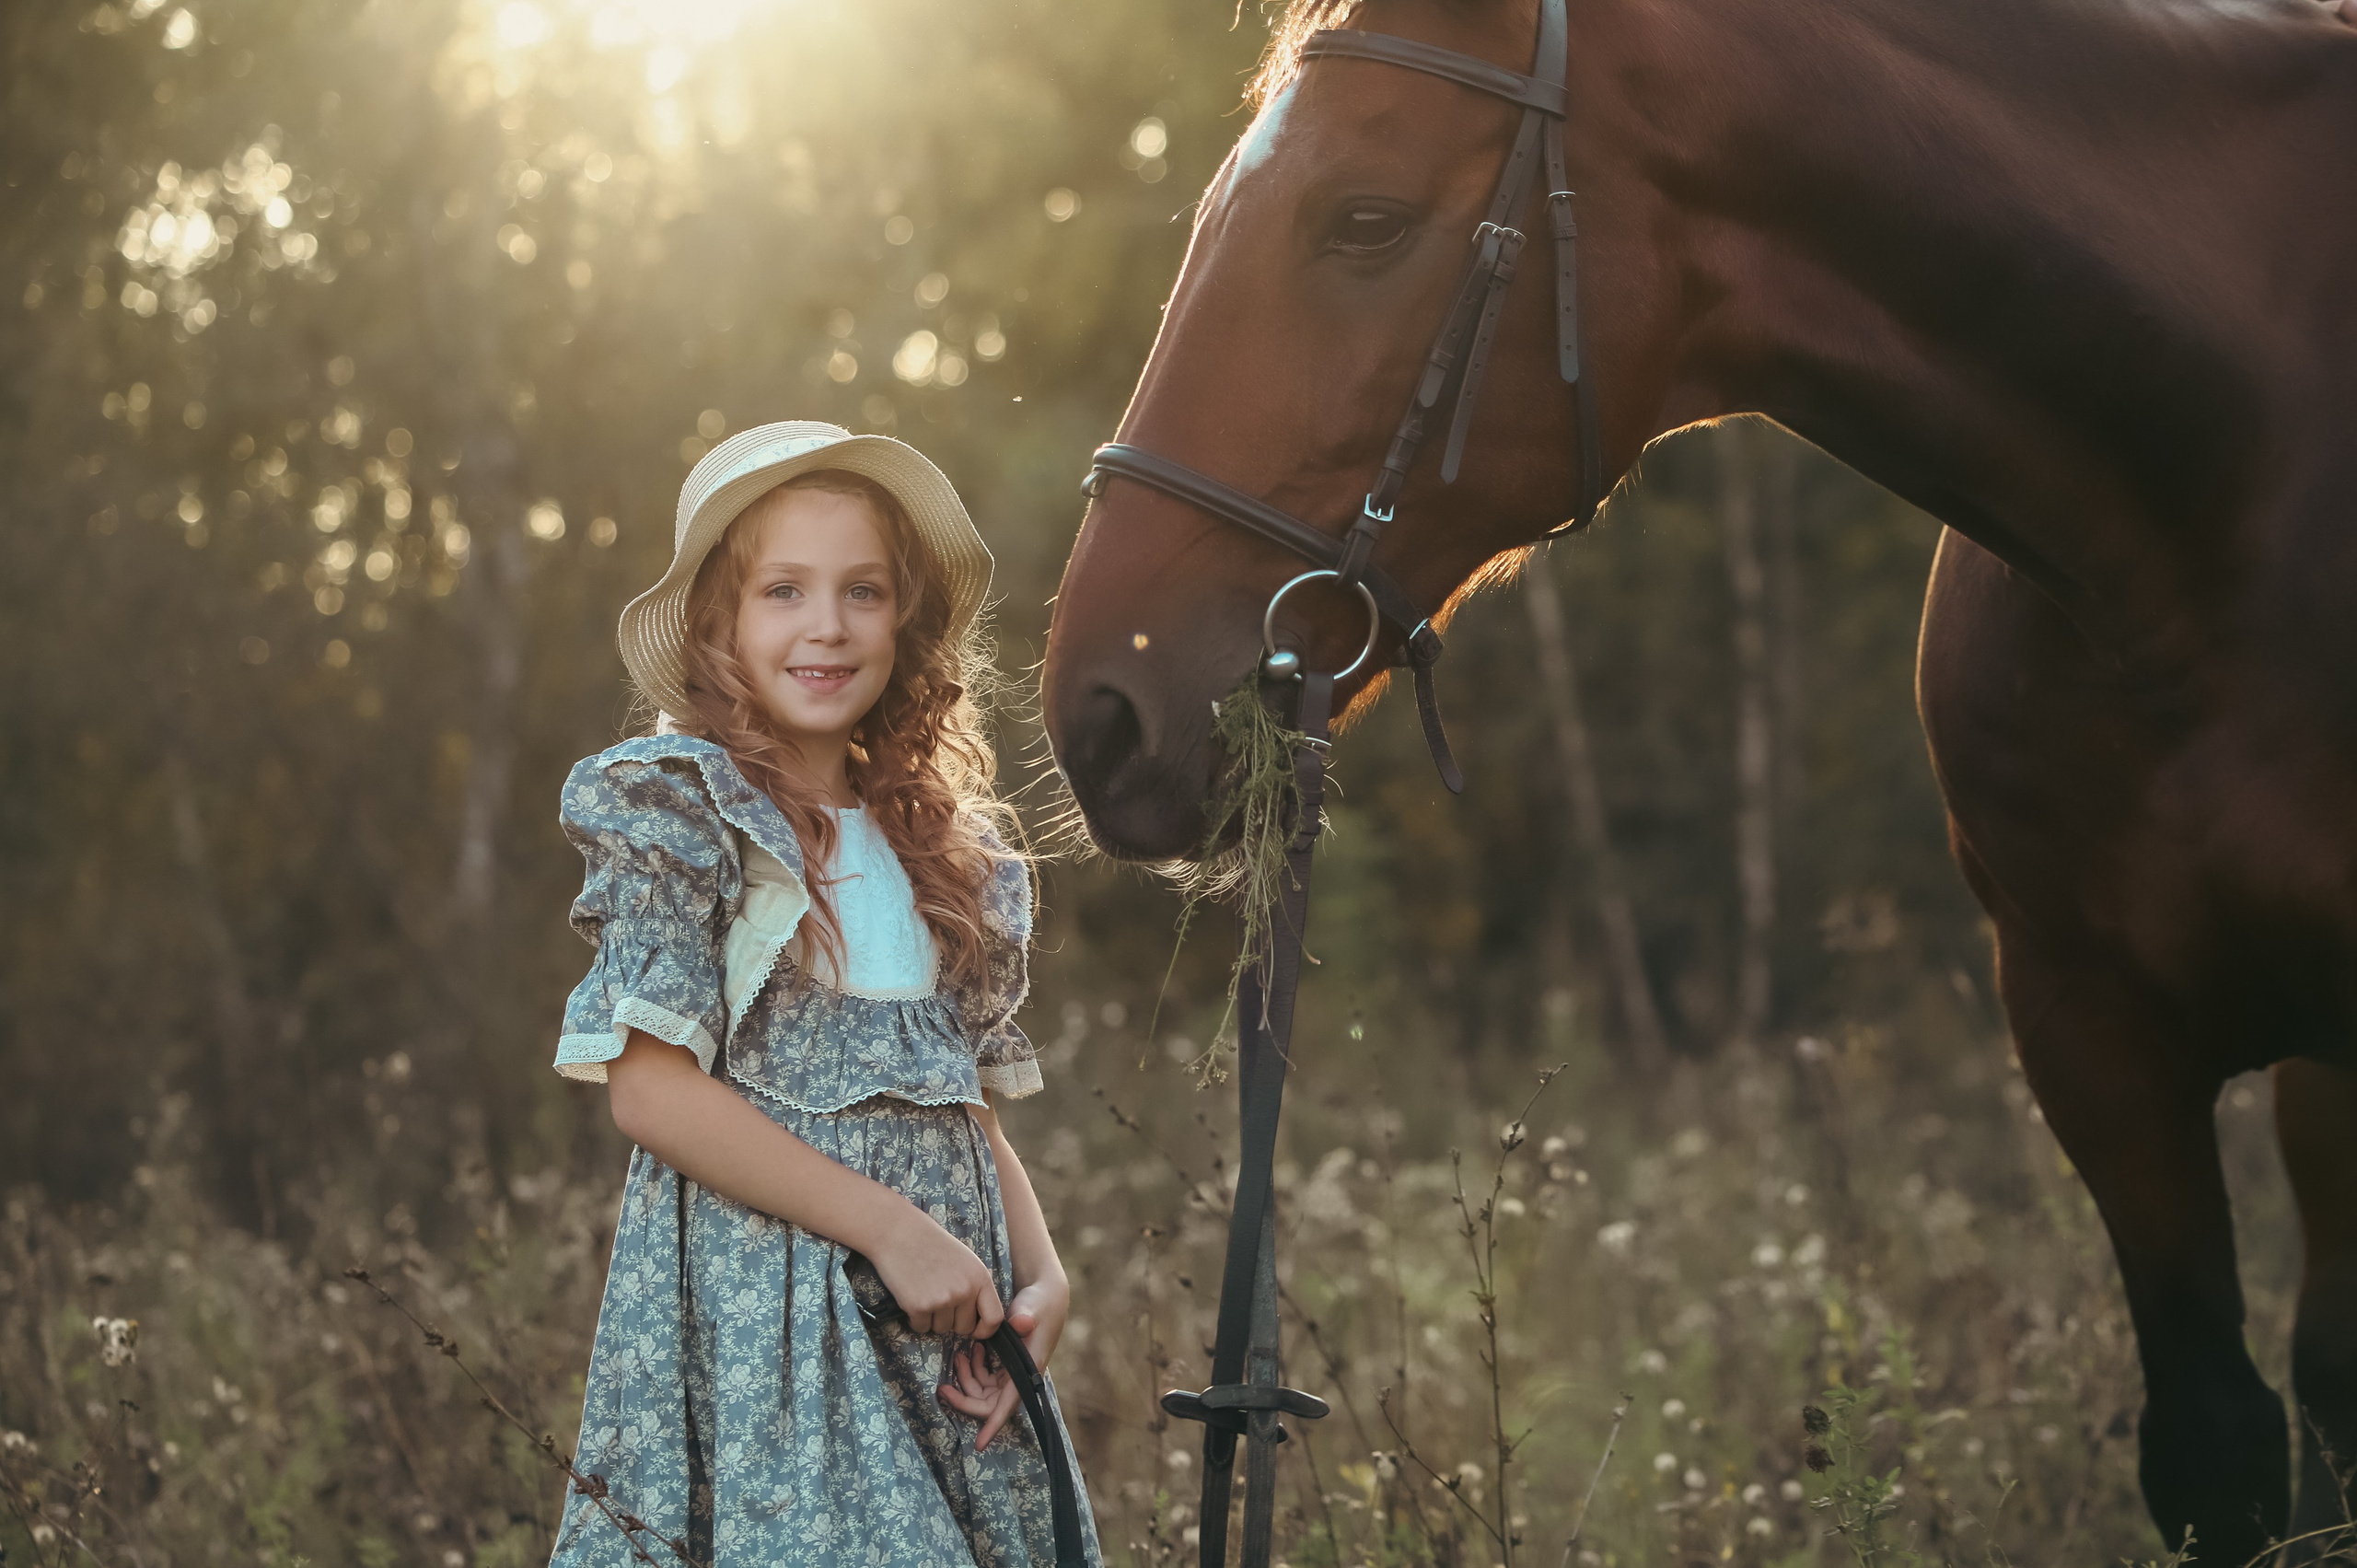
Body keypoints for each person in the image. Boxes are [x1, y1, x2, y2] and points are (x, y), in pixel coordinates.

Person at [545, 421, 1100, 1566]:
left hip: (943, 1322)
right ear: (719, 625)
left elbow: (957, 1104)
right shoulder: (683, 814)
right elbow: (651, 1093)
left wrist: (1039, 1272)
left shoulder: (945, 850)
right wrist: (892, 1230)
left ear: (905, 621)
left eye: (863, 591)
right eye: (784, 591)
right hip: (777, 1322)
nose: (827, 626)